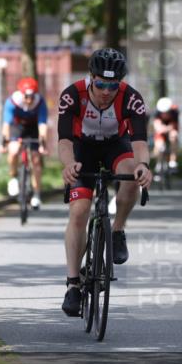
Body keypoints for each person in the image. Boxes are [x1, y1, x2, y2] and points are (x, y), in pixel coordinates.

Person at [58, 48, 153, 317]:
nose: (106, 91)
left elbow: (139, 143)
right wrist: (68, 165)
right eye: (100, 84)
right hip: (82, 150)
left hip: (115, 145)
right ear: (91, 78)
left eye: (113, 85)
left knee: (131, 174)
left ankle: (117, 230)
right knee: (79, 212)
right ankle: (74, 284)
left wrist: (144, 166)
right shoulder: (72, 95)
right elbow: (64, 141)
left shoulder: (131, 98)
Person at [2, 77, 48, 209]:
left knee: (36, 160)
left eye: (32, 96)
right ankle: (13, 178)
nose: (29, 100)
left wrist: (42, 143)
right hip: (17, 127)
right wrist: (4, 142)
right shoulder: (12, 102)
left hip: (33, 129)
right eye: (26, 96)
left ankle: (37, 194)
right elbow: (6, 124)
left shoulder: (40, 103)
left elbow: (42, 124)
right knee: (14, 151)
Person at [152, 97, 180, 170]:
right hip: (162, 129)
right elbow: (158, 128)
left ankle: (172, 161)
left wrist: (165, 128)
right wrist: (164, 128)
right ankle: (158, 164)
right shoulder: (156, 113)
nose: (165, 114)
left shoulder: (175, 112)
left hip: (170, 127)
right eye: (163, 112)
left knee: (174, 136)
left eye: (167, 112)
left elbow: (173, 126)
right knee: (159, 145)